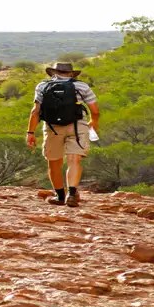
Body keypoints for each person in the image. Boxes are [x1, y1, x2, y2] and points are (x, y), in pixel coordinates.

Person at [26, 62, 100, 207]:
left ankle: (60, 196)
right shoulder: (82, 86)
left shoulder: (42, 86)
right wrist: (93, 122)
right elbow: (95, 110)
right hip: (77, 126)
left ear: (54, 73)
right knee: (74, 160)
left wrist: (30, 132)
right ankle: (72, 194)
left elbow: (35, 111)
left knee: (53, 162)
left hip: (52, 127)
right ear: (71, 73)